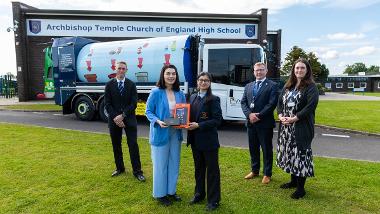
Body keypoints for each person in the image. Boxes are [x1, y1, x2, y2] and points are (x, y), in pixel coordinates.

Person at [276, 58, 319, 199]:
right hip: (286, 128)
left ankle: (301, 189)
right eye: (297, 68)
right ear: (293, 70)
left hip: (301, 127)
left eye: (302, 68)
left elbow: (310, 106)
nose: (299, 70)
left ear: (307, 71)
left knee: (300, 156)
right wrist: (281, 115)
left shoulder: (311, 87)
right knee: (289, 154)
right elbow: (279, 103)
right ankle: (293, 182)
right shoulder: (288, 85)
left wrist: (295, 118)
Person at [145, 64, 186, 206]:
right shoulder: (156, 92)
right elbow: (148, 111)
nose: (171, 76)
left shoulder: (180, 93)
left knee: (174, 162)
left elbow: (183, 113)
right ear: (163, 75)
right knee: (160, 165)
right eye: (168, 73)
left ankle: (171, 191)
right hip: (160, 131)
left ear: (176, 76)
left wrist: (184, 121)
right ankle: (160, 194)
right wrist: (157, 121)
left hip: (176, 132)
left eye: (173, 74)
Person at [186, 72, 222, 212]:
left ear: (210, 83)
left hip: (209, 142)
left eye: (206, 80)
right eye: (201, 80)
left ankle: (214, 200)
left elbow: (217, 120)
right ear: (197, 82)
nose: (203, 83)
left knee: (212, 172)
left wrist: (199, 125)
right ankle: (199, 194)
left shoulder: (214, 99)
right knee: (199, 170)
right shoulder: (193, 97)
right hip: (195, 141)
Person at [104, 61, 145, 182]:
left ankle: (137, 171)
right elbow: (107, 104)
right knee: (116, 145)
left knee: (133, 145)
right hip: (114, 120)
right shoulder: (109, 85)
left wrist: (122, 116)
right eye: (119, 68)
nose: (121, 71)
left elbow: (134, 103)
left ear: (126, 70)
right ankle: (119, 168)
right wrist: (116, 117)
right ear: (115, 69)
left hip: (129, 119)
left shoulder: (131, 84)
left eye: (123, 69)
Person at [241, 62, 278, 184]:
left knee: (266, 149)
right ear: (254, 72)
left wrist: (259, 115)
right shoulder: (248, 86)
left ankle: (267, 173)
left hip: (265, 123)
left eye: (261, 70)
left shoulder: (272, 85)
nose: (259, 72)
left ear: (266, 71)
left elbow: (272, 104)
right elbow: (243, 103)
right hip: (251, 123)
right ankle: (254, 170)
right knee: (253, 148)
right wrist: (249, 115)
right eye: (257, 70)